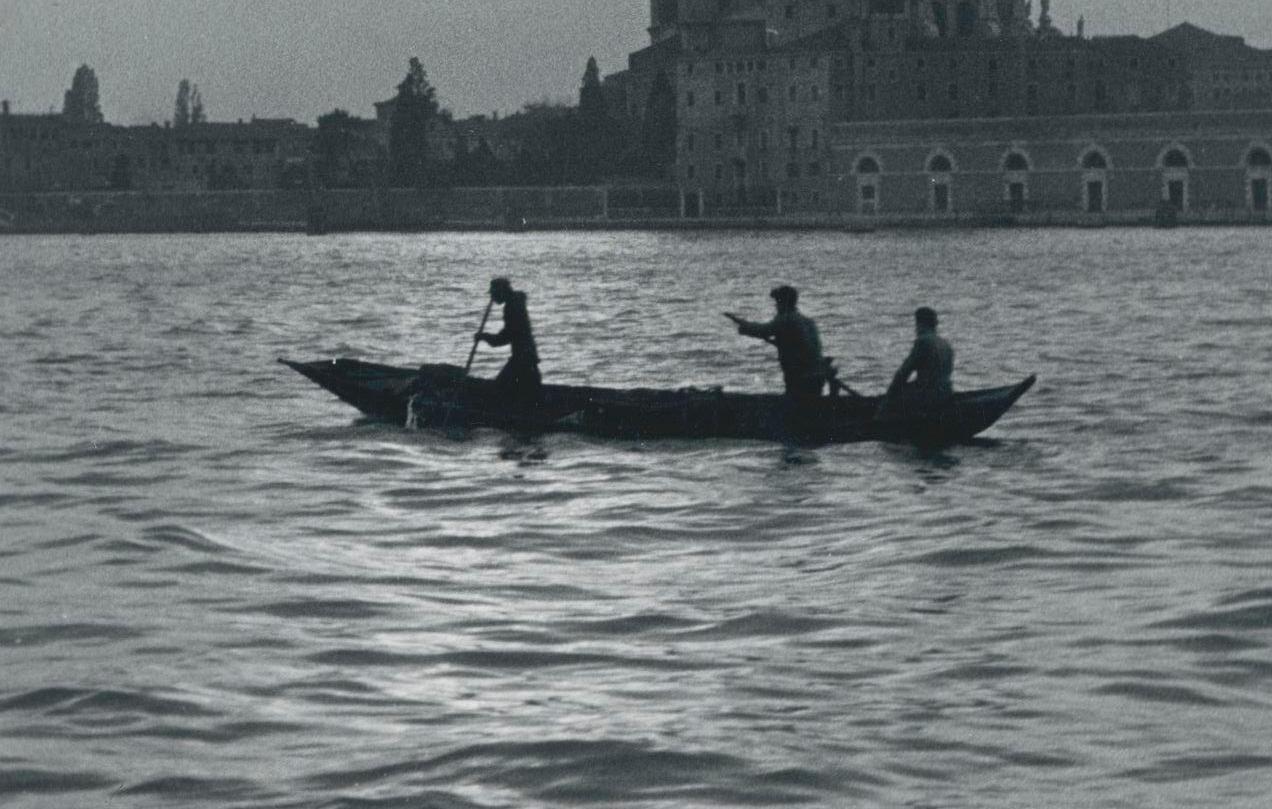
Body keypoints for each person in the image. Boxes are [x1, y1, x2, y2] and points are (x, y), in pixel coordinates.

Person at [727, 286, 825, 406]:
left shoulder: (787, 319)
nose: (776, 306)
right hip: (817, 374)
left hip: (801, 377)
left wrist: (743, 325)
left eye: (777, 302)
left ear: (782, 302)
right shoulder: (807, 321)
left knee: (797, 408)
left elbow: (763, 330)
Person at [476, 277, 542, 405]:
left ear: (501, 292)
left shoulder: (512, 307)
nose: (493, 298)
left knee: (499, 389)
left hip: (522, 359)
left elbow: (507, 335)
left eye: (494, 294)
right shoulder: (515, 302)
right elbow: (510, 333)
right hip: (526, 356)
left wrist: (485, 337)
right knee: (529, 392)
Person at [880, 306, 954, 417]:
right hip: (946, 392)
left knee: (893, 401)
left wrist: (888, 398)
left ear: (921, 324)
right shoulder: (945, 344)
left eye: (916, 324)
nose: (915, 329)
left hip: (928, 396)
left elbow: (904, 373)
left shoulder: (923, 341)